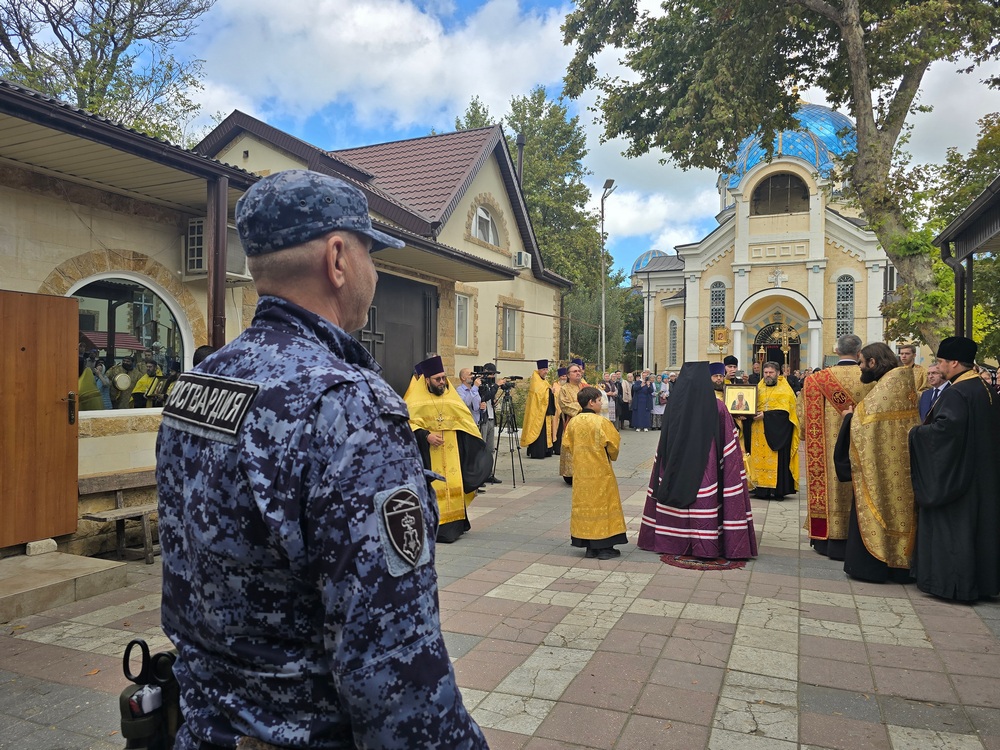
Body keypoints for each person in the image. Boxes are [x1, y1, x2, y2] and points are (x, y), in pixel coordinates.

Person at [156, 169, 487, 749]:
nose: (375, 272)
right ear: (338, 259)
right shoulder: (347, 406)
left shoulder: (196, 385)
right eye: (371, 253)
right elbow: (393, 666)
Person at [909, 336, 1000, 601]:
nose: (938, 366)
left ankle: (952, 586)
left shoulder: (957, 392)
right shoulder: (984, 389)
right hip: (983, 476)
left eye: (940, 361)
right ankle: (980, 583)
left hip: (959, 481)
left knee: (956, 532)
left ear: (954, 363)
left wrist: (916, 433)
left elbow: (945, 432)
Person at [638, 361, 757, 560]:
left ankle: (672, 542)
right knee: (703, 500)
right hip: (705, 469)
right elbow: (729, 442)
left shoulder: (673, 405)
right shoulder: (717, 407)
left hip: (673, 468)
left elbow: (664, 438)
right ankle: (704, 545)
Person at [834, 342, 919, 583]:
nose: (860, 367)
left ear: (873, 362)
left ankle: (875, 565)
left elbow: (864, 423)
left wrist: (849, 416)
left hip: (884, 466)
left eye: (862, 363)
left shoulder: (892, 382)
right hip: (893, 462)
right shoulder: (896, 379)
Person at [802, 333, 874, 559]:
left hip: (825, 451)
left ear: (836, 351)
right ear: (859, 352)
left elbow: (804, 418)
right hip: (862, 447)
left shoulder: (816, 380)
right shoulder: (872, 379)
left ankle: (827, 540)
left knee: (831, 487)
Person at [406, 356, 491, 543]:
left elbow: (466, 423)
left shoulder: (451, 396)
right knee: (434, 487)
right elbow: (406, 425)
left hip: (451, 451)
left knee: (453, 485)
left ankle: (456, 524)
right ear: (427, 380)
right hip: (429, 453)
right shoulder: (414, 400)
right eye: (438, 379)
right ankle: (434, 525)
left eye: (444, 378)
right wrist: (425, 435)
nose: (442, 382)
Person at [562, 386, 628, 560]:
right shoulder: (601, 422)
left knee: (585, 507)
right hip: (600, 473)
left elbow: (567, 445)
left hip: (582, 475)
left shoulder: (574, 422)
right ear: (591, 402)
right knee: (603, 507)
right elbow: (613, 445)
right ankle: (604, 547)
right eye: (599, 401)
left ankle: (590, 548)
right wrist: (609, 455)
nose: (601, 404)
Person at [748, 361, 800, 499]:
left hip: (778, 432)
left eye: (771, 373)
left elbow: (786, 414)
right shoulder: (758, 388)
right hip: (758, 433)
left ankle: (777, 490)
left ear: (778, 373)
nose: (768, 375)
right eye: (765, 373)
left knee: (777, 458)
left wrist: (766, 415)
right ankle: (761, 489)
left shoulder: (785, 391)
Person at [521, 359, 555, 459]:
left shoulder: (544, 380)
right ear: (539, 370)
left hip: (544, 411)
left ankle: (546, 450)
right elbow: (538, 392)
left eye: (547, 369)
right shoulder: (535, 379)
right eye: (544, 369)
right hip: (537, 412)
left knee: (545, 431)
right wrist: (549, 390)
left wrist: (550, 390)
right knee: (538, 431)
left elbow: (546, 390)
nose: (546, 371)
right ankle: (537, 452)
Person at [558, 362, 585, 484]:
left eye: (579, 371)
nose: (578, 373)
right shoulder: (564, 389)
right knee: (571, 448)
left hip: (586, 423)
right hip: (572, 423)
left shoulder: (584, 387)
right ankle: (570, 475)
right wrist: (582, 407)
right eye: (574, 371)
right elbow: (565, 405)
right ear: (568, 375)